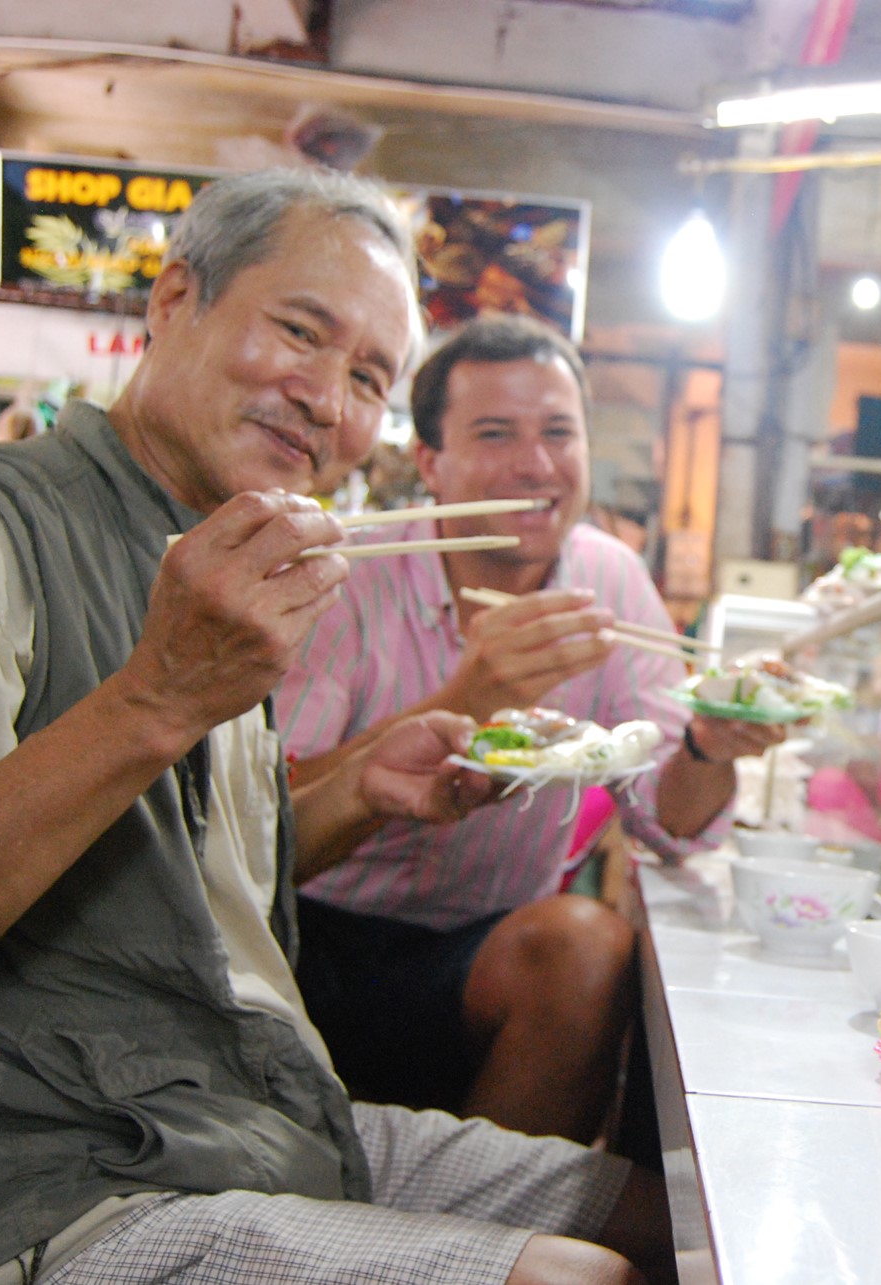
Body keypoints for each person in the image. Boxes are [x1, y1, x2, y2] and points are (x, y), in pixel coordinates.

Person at [0, 169, 672, 1285]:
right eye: (300, 332)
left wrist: (360, 787)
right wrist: (154, 700)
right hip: (43, 1184)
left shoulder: (227, 556)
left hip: (246, 1113)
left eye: (366, 376)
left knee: (677, 1218)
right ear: (172, 302)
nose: (324, 396)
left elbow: (178, 885)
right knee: (579, 1279)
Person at [279, 314, 783, 1144]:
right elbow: (269, 820)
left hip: (484, 948)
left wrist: (708, 745)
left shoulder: (608, 579)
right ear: (432, 462)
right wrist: (468, 694)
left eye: (559, 432)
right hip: (311, 934)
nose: (537, 464)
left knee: (590, 945)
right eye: (495, 433)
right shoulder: (354, 579)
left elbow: (670, 819)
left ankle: (486, 1245)